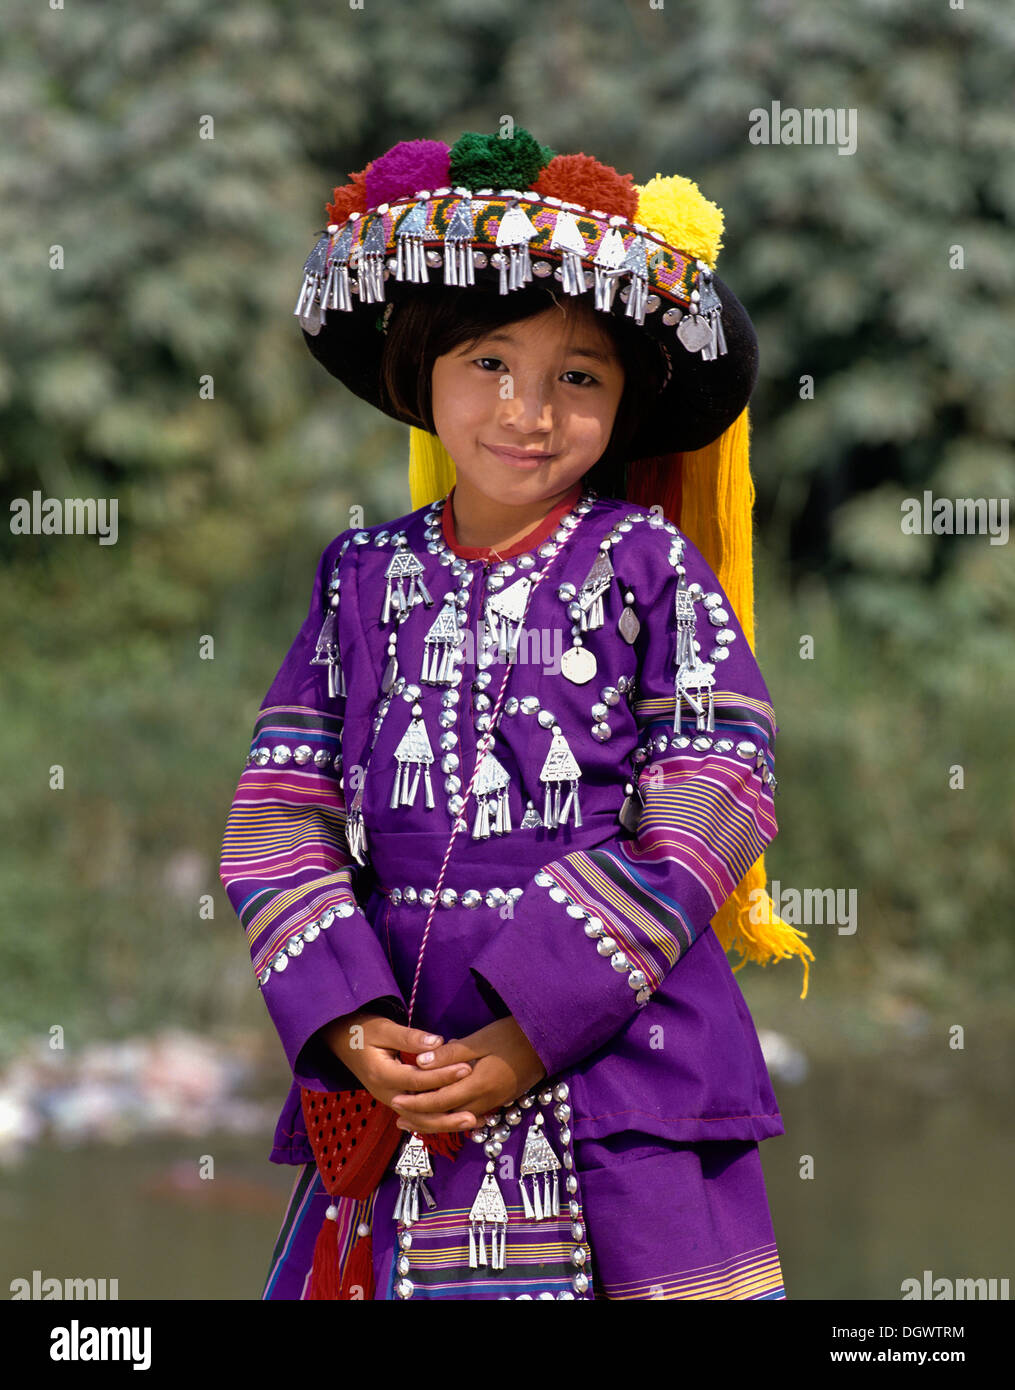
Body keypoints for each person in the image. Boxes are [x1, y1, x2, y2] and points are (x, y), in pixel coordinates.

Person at [218, 127, 814, 1301]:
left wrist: (532, 1027)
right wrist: (347, 1023)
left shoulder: (648, 564)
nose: (527, 411)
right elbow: (280, 805)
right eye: (490, 362)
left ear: (625, 402)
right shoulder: (362, 578)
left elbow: (717, 786)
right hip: (403, 1071)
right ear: (419, 372)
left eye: (577, 377)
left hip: (613, 1070)